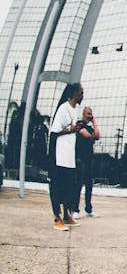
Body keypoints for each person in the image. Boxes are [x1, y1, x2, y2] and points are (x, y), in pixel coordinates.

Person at [49, 83, 84, 230]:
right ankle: (57, 218)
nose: (83, 95)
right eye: (81, 92)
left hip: (70, 157)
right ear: (74, 93)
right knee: (58, 186)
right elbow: (55, 131)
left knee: (69, 187)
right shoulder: (63, 108)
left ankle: (67, 216)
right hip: (60, 155)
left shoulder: (74, 110)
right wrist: (71, 129)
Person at [72, 106, 100, 219]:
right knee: (78, 184)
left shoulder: (89, 127)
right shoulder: (80, 125)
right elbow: (87, 136)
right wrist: (92, 136)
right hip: (80, 159)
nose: (90, 116)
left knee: (89, 185)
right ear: (83, 114)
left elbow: (97, 136)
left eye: (91, 114)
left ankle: (88, 209)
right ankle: (75, 210)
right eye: (88, 114)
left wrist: (94, 123)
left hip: (89, 159)